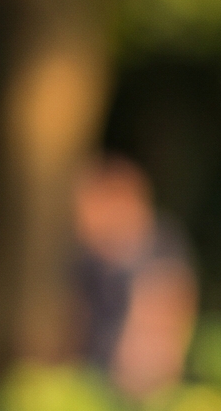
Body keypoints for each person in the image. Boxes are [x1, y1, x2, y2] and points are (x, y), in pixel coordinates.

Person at [72, 156, 197, 398]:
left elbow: (151, 352)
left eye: (88, 207)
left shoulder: (159, 254)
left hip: (131, 398)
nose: (80, 222)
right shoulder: (93, 259)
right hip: (94, 384)